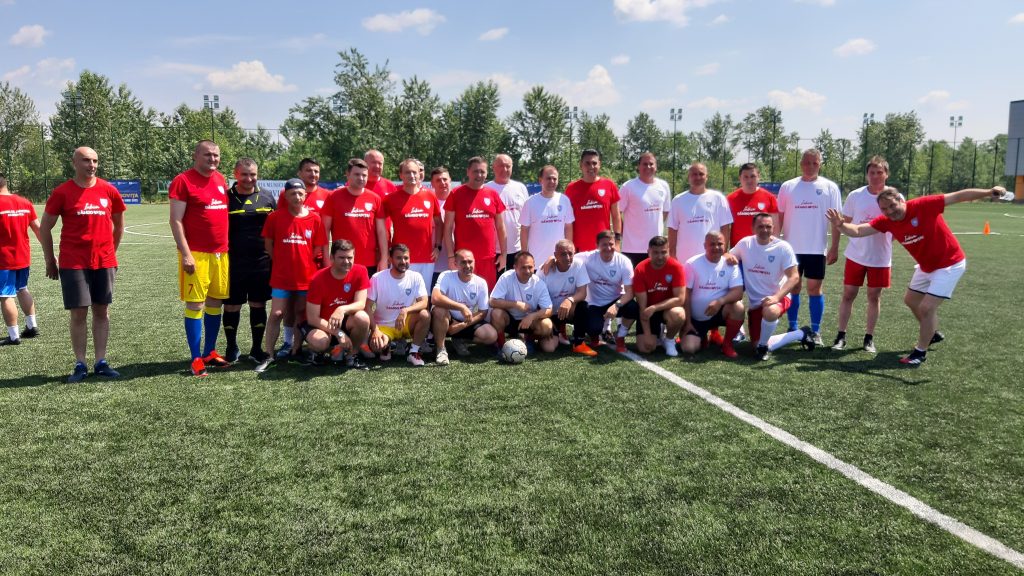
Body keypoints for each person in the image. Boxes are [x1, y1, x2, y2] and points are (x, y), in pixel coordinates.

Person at [827, 185, 1006, 365]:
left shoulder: (924, 205)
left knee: (927, 308)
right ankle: (932, 332)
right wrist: (840, 225)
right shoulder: (886, 221)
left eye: (892, 205)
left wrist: (989, 192)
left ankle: (920, 352)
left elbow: (959, 196)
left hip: (949, 264)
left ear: (900, 200)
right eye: (884, 209)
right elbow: (859, 231)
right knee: (911, 300)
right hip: (926, 267)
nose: (890, 211)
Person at [39, 147, 126, 381]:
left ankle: (101, 361)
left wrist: (111, 254)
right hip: (73, 262)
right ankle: (80, 363)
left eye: (95, 161)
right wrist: (49, 259)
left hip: (104, 262)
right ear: (74, 163)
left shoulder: (109, 190)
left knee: (102, 310)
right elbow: (45, 227)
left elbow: (119, 226)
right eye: (86, 160)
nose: (92, 165)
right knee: (78, 313)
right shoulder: (62, 192)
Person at [169, 140, 230, 377]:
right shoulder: (183, 181)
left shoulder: (221, 180)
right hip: (196, 254)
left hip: (221, 253)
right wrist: (186, 254)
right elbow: (175, 220)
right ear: (195, 155)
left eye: (216, 155)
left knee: (215, 302)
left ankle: (209, 352)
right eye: (207, 155)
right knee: (195, 305)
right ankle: (195, 358)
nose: (213, 159)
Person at [260, 178, 328, 367]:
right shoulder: (275, 217)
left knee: (300, 312)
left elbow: (318, 247)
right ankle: (269, 353)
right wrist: (280, 260)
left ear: (305, 195)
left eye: (300, 193)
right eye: (292, 194)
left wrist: (305, 261)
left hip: (306, 277)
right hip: (281, 276)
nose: (297, 197)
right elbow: (268, 244)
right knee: (277, 313)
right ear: (285, 196)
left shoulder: (315, 218)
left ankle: (296, 349)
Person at [777, 148, 842, 345]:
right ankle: (793, 328)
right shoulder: (788, 186)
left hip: (816, 248)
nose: (810, 166)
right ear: (801, 164)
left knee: (814, 288)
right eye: (807, 162)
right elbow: (779, 217)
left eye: (815, 163)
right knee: (793, 287)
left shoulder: (830, 187)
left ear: (820, 164)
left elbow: (836, 221)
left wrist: (834, 247)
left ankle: (815, 331)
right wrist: (775, 243)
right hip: (791, 249)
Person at [730, 213, 815, 361]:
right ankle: (800, 333)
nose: (765, 230)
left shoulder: (782, 247)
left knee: (770, 311)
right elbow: (729, 256)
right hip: (756, 304)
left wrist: (776, 297)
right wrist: (727, 257)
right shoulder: (745, 244)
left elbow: (794, 277)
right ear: (753, 228)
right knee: (754, 345)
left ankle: (763, 348)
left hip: (779, 297)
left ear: (773, 228)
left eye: (768, 227)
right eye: (760, 226)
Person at [832, 156, 893, 353]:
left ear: (886, 174)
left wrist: (887, 244)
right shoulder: (855, 195)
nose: (875, 176)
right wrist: (834, 247)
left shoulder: (895, 197)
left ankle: (869, 338)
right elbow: (843, 223)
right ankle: (841, 336)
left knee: (874, 297)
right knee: (848, 294)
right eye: (872, 173)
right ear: (867, 175)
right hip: (856, 255)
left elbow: (899, 225)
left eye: (879, 172)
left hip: (880, 258)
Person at [222, 158, 275, 364]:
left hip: (261, 263)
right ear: (235, 174)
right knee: (231, 306)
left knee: (258, 304)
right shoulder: (226, 198)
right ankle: (231, 347)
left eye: (253, 174)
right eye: (244, 174)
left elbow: (276, 228)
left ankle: (256, 348)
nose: (249, 178)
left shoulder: (267, 197)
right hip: (233, 262)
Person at [294, 239, 372, 371]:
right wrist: (339, 333)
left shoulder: (361, 271)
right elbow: (312, 318)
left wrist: (341, 309)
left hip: (342, 321)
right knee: (321, 342)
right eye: (341, 257)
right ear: (331, 258)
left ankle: (352, 355)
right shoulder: (317, 279)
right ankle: (316, 352)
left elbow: (361, 303)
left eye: (350, 257)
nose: (346, 261)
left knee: (363, 318)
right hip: (319, 323)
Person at [442, 156, 506, 290]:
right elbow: (447, 228)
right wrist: (450, 256)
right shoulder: (456, 194)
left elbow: (500, 227)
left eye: (482, 172)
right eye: (475, 171)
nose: (479, 175)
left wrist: (503, 254)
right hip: (463, 259)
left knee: (487, 294)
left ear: (487, 173)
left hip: (488, 258)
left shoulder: (493, 195)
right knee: (463, 294)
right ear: (468, 172)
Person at [681, 231, 745, 358]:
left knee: (738, 308)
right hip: (696, 319)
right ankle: (702, 337)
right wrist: (687, 322)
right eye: (712, 244)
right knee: (689, 348)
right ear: (705, 245)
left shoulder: (731, 264)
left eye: (720, 244)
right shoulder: (692, 263)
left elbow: (738, 292)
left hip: (719, 313)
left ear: (725, 245)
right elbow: (685, 295)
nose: (716, 247)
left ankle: (727, 344)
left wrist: (720, 302)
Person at [572, 230, 637, 352]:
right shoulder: (588, 257)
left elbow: (630, 291)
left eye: (611, 244)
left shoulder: (624, 262)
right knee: (593, 328)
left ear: (616, 244)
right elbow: (568, 256)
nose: (608, 248)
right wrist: (551, 259)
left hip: (615, 299)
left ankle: (620, 336)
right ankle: (595, 335)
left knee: (633, 308)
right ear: (597, 245)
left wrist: (617, 305)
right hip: (595, 303)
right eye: (604, 245)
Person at [430, 249, 497, 365]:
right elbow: (435, 298)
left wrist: (461, 325)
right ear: (456, 264)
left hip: (466, 321)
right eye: (463, 262)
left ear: (474, 262)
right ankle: (441, 349)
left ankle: (460, 340)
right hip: (447, 319)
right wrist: (461, 307)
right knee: (439, 310)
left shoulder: (481, 283)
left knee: (491, 336)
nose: (468, 266)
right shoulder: (446, 275)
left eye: (470, 262)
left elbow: (483, 312)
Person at [367, 243, 430, 366]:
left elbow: (424, 302)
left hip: (405, 323)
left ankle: (413, 351)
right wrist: (375, 330)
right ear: (390, 259)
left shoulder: (416, 277)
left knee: (425, 315)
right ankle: (389, 345)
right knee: (376, 347)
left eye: (406, 258)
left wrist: (405, 310)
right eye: (399, 258)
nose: (403, 261)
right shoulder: (377, 278)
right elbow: (367, 307)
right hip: (384, 326)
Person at [322, 158, 388, 275]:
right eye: (357, 174)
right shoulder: (333, 197)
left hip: (369, 262)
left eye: (364, 175)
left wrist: (383, 258)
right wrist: (327, 258)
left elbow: (382, 231)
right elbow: (324, 230)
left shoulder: (375, 198)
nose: (361, 178)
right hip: (341, 261)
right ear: (348, 174)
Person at [383, 158, 442, 282]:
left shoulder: (430, 195)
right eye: (407, 172)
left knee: (424, 293)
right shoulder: (391, 199)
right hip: (401, 257)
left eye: (414, 172)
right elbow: (382, 226)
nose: (412, 175)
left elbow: (439, 223)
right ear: (401, 175)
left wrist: (438, 247)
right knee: (400, 292)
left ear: (419, 174)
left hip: (426, 258)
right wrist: (386, 250)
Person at [627, 236, 687, 356]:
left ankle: (669, 340)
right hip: (648, 312)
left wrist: (655, 307)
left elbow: (680, 299)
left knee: (679, 313)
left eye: (663, 252)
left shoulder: (676, 267)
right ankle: (657, 333)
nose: (660, 256)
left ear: (668, 251)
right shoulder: (640, 269)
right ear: (648, 252)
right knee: (645, 348)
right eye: (655, 252)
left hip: (666, 309)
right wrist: (647, 334)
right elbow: (643, 308)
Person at [0, 173, 41, 346]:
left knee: (5, 295)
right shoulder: (25, 202)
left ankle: (14, 336)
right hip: (23, 256)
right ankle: (32, 326)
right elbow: (38, 229)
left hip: (3, 259)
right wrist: (49, 252)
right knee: (22, 289)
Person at [536, 239, 595, 356]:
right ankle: (544, 334)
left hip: (567, 311)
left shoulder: (578, 264)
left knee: (583, 306)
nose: (567, 257)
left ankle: (579, 343)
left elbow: (582, 293)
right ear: (555, 255)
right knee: (549, 348)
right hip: (549, 313)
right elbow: (537, 299)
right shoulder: (544, 270)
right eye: (563, 254)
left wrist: (569, 300)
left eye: (570, 254)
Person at [489, 251, 556, 354]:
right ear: (515, 267)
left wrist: (532, 316)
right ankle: (501, 346)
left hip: (529, 321)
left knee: (547, 326)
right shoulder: (506, 277)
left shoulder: (539, 283)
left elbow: (549, 310)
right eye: (523, 267)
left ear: (534, 266)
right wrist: (516, 304)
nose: (527, 271)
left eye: (530, 267)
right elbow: (493, 301)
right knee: (496, 313)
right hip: (509, 319)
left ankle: (529, 340)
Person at [668, 162, 733, 263]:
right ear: (689, 177)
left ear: (707, 177)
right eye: (694, 174)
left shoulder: (718, 198)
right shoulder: (678, 200)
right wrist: (672, 254)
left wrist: (724, 252)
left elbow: (725, 227)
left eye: (701, 174)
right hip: (684, 258)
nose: (698, 177)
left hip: (711, 257)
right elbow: (672, 229)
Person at [619, 152, 671, 267]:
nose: (648, 167)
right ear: (638, 166)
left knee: (656, 279)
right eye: (644, 164)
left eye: (651, 164)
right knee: (634, 278)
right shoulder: (628, 187)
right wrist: (623, 233)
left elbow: (665, 211)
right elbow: (617, 212)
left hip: (656, 248)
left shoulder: (663, 186)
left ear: (656, 166)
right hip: (632, 249)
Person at [564, 149, 621, 252]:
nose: (591, 166)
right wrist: (569, 245)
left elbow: (616, 217)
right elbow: (567, 221)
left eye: (594, 163)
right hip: (579, 249)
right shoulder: (571, 188)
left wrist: (617, 242)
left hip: (604, 247)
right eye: (587, 163)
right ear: (581, 165)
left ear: (599, 164)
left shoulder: (609, 185)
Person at [487, 153, 530, 271]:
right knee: (495, 282)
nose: (504, 169)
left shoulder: (520, 188)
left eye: (508, 166)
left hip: (517, 248)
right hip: (494, 250)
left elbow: (527, 218)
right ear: (493, 167)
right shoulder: (486, 189)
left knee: (517, 281)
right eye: (501, 166)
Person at [520, 165, 574, 259]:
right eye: (548, 178)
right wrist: (524, 254)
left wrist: (569, 250)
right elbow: (524, 230)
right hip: (536, 259)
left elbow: (568, 227)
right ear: (540, 180)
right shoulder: (530, 202)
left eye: (554, 179)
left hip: (559, 259)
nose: (552, 181)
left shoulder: (564, 200)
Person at [726, 163, 778, 248]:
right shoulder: (730, 199)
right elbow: (726, 228)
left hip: (763, 249)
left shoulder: (770, 198)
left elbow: (775, 228)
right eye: (745, 177)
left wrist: (773, 247)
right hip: (738, 250)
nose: (749, 180)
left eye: (752, 176)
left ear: (758, 177)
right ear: (740, 178)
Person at [429, 166, 453, 289]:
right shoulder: (428, 201)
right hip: (431, 264)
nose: (442, 183)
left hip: (453, 264)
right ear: (432, 183)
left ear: (450, 180)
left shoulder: (458, 201)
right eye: (438, 180)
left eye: (445, 179)